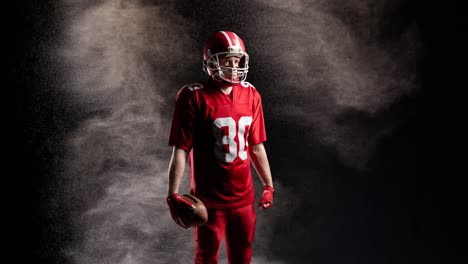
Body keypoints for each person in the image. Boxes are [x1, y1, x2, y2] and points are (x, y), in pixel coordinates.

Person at [166, 31, 274, 264]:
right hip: (209, 201)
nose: (234, 67)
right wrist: (172, 194)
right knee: (206, 258)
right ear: (211, 62)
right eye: (227, 61)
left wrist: (268, 185)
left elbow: (256, 146)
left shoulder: (251, 93)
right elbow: (181, 150)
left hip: (243, 199)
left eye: (237, 61)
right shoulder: (193, 97)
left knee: (242, 257)